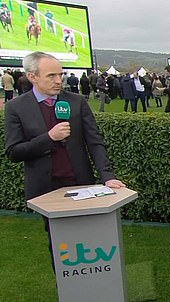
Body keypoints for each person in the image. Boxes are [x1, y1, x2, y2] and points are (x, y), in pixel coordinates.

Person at [3, 52, 125, 269]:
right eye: (51, 76)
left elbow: (95, 142)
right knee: (61, 247)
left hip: (81, 184)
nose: (58, 81)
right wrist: (48, 138)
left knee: (91, 240)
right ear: (32, 77)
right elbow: (13, 151)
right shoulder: (16, 107)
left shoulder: (76, 102)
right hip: (46, 190)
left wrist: (107, 176)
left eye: (60, 75)